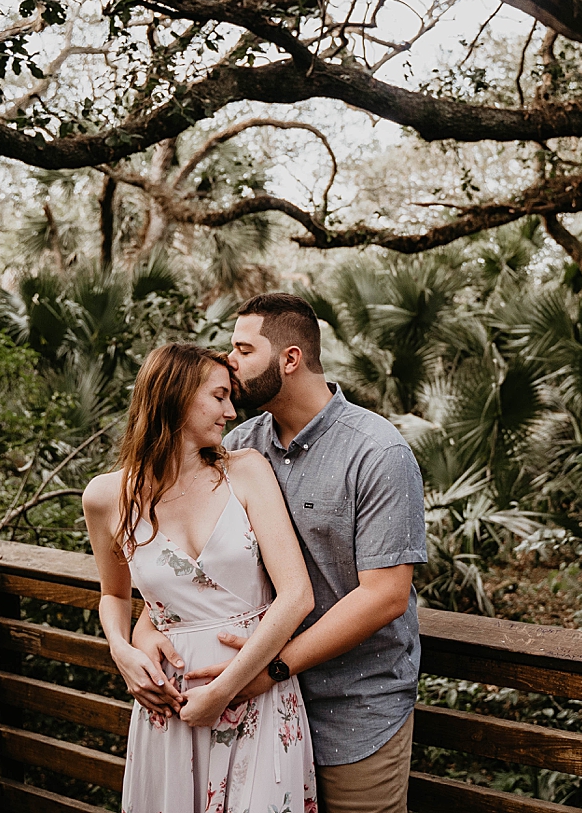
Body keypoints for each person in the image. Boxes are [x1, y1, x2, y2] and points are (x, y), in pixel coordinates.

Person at [142, 293, 428, 813]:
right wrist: (141, 636)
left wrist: (266, 673)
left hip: (353, 708)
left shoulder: (377, 451)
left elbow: (385, 596)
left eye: (243, 349)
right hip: (253, 709)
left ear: (289, 359)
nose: (230, 361)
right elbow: (190, 564)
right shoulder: (239, 446)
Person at [82, 342, 317, 813]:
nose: (231, 412)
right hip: (170, 705)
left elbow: (296, 597)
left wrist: (226, 689)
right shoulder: (107, 497)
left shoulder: (247, 471)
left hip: (256, 696)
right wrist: (121, 649)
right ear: (176, 395)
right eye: (219, 396)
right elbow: (113, 592)